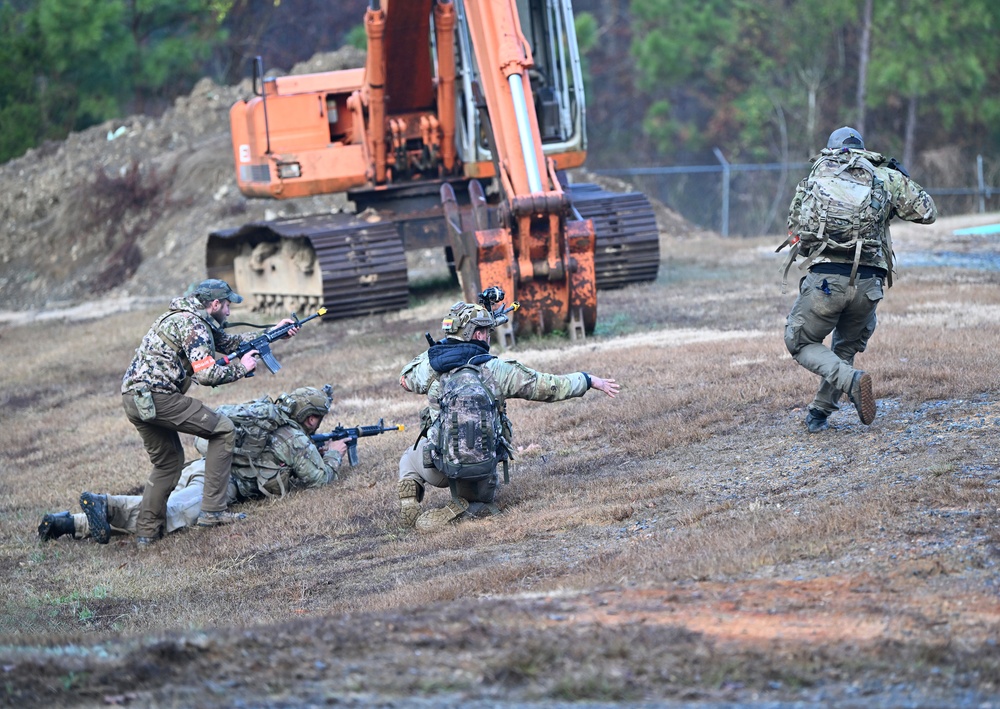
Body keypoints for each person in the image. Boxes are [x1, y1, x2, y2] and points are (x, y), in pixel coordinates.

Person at [396, 298, 619, 531]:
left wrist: (438, 349)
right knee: (481, 498)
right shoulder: (498, 370)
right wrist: (588, 380)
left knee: (408, 458)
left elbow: (404, 378)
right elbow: (549, 386)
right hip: (483, 472)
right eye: (486, 331)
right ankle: (471, 506)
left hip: (439, 468)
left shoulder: (431, 367)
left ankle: (410, 504)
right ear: (479, 335)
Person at [119, 278, 300, 548]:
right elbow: (205, 374)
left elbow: (229, 342)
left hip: (133, 399)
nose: (228, 311)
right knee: (223, 429)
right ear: (214, 304)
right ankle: (213, 511)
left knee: (168, 463)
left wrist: (275, 332)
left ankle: (147, 533)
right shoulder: (194, 325)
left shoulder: (186, 317)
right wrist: (242, 368)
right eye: (227, 305)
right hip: (158, 398)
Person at [38, 387, 347, 543]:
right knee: (168, 516)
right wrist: (334, 453)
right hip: (218, 484)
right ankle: (107, 505)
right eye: (314, 418)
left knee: (163, 510)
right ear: (307, 414)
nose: (315, 424)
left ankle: (68, 524)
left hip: (200, 469)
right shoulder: (293, 437)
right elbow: (320, 480)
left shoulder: (264, 414)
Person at [783, 127, 937, 433]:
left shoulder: (816, 177)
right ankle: (817, 416)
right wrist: (897, 178)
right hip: (870, 283)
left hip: (827, 282)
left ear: (831, 150)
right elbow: (928, 212)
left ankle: (853, 382)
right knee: (844, 349)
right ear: (862, 149)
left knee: (799, 342)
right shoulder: (883, 176)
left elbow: (794, 234)